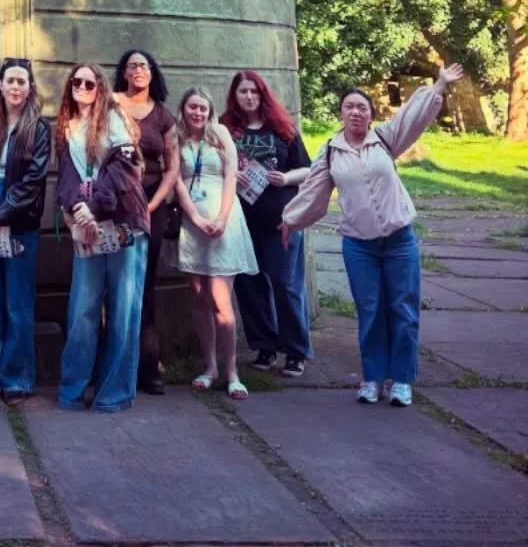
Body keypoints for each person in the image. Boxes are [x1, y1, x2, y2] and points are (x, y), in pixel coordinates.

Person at [282, 64, 464, 407]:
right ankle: (372, 378)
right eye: (349, 106)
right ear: (340, 114)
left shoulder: (385, 139)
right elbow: (313, 189)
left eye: (362, 107)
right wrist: (290, 220)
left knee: (404, 311)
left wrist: (438, 85)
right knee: (370, 311)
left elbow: (413, 117)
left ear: (370, 115)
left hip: (399, 241)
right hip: (358, 246)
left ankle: (402, 381)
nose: (355, 112)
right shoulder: (331, 151)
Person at [55, 61, 151, 413]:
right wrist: (77, 210)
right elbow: (65, 176)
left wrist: (93, 207)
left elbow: (123, 172)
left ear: (101, 88)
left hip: (124, 223)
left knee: (124, 310)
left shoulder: (114, 118)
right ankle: (73, 389)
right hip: (88, 228)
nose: (82, 87)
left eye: (90, 83)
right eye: (76, 82)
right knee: (83, 309)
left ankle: (114, 393)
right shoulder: (66, 126)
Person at [221, 69, 313, 377]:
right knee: (250, 284)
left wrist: (285, 177)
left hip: (281, 220)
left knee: (286, 284)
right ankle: (264, 346)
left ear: (263, 95)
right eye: (243, 91)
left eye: (254, 92)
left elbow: (307, 169)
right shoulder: (226, 130)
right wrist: (233, 176)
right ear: (234, 96)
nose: (248, 97)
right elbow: (213, 167)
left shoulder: (282, 128)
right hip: (242, 221)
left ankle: (295, 351)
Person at [0, 58, 50, 405]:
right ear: (0, 86)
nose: (16, 87)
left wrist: (1, 214)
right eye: (10, 81)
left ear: (30, 88)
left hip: (18, 218)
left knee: (17, 300)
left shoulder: (40, 128)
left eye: (22, 81)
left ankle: (17, 378)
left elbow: (34, 180)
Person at [174, 85, 257, 399]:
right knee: (197, 297)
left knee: (222, 301)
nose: (197, 113)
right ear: (183, 110)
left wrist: (221, 218)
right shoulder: (177, 139)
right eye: (192, 107)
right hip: (192, 223)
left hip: (223, 221)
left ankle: (232, 370)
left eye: (202, 108)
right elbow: (177, 180)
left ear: (210, 112)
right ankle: (209, 366)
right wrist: (195, 217)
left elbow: (232, 175)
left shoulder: (220, 134)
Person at [112, 48, 179, 394]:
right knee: (113, 286)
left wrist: (152, 205)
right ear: (123, 72)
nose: (138, 70)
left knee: (144, 287)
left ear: (153, 73)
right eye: (132, 65)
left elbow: (172, 169)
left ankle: (147, 367)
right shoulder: (110, 105)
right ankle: (112, 364)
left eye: (144, 65)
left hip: (152, 208)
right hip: (115, 206)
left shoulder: (164, 117)